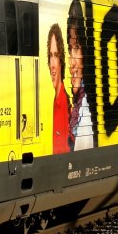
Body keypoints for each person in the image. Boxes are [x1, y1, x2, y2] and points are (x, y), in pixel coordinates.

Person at [67, 0, 94, 150]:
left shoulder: (85, 113)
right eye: (70, 49)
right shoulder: (77, 107)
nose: (72, 63)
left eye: (76, 48)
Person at [47, 23, 71, 154]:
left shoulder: (64, 102)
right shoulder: (55, 100)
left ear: (61, 60)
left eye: (56, 55)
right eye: (50, 55)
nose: (52, 65)